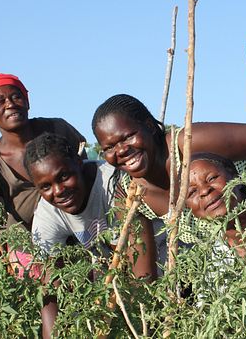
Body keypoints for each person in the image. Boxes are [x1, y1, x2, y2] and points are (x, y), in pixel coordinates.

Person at [91, 94, 246, 268]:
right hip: (245, 258)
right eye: (109, 148)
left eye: (128, 137)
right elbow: (141, 266)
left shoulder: (189, 143)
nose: (121, 150)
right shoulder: (132, 195)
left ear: (148, 126)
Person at [25, 133, 155, 338]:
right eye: (45, 187)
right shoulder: (46, 216)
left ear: (79, 162)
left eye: (64, 176)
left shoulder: (115, 183)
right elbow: (51, 290)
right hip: (115, 279)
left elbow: (143, 276)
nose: (58, 191)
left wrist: (140, 327)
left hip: (164, 265)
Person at [0, 73, 86, 232]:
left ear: (27, 102)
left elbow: (86, 171)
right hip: (30, 242)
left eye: (16, 97)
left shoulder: (58, 129)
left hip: (82, 227)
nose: (10, 104)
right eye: (0, 101)